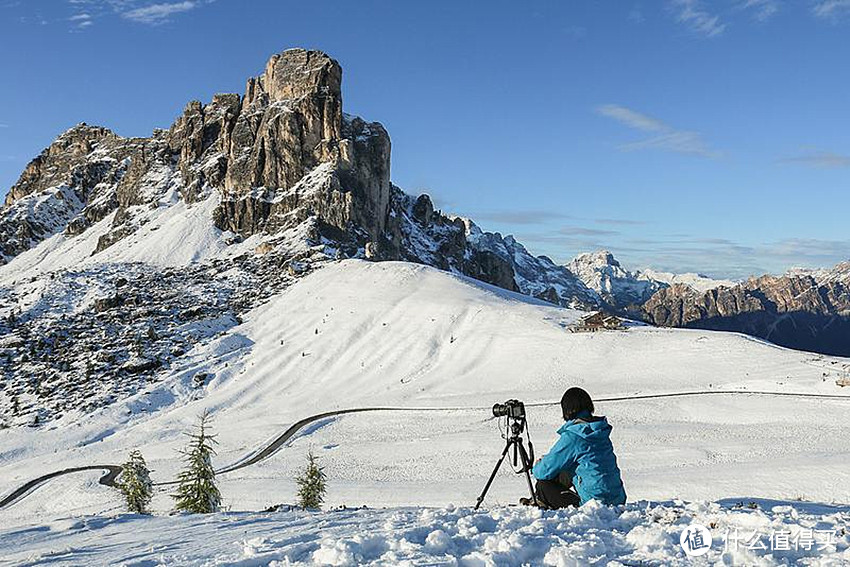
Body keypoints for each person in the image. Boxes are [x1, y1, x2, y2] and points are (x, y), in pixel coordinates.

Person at [529, 387, 626, 508]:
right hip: (618, 500)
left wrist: (538, 465)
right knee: (567, 469)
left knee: (543, 485)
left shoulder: (574, 436)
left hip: (594, 504)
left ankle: (539, 501)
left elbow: (543, 472)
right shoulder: (600, 432)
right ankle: (538, 500)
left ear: (567, 410)